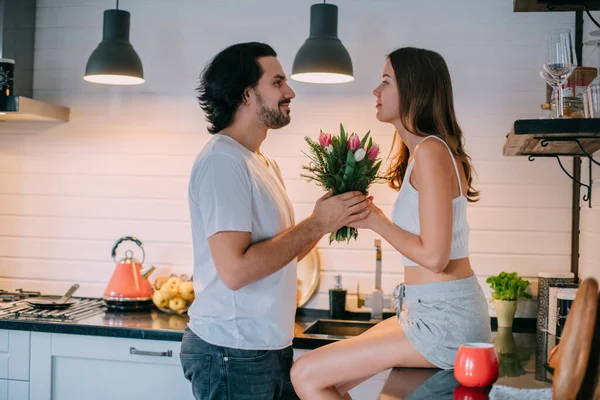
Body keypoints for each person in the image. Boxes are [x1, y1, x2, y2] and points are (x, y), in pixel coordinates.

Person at [290, 47, 491, 400]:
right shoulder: (425, 152)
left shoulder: (431, 152)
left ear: (414, 90)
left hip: (444, 320)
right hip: (430, 310)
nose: (376, 91)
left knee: (305, 374)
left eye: (386, 81)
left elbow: (435, 258)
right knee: (320, 377)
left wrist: (375, 220)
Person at [179, 42, 370, 400]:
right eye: (278, 82)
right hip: (232, 352)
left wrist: (328, 219)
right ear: (247, 94)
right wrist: (316, 223)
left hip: (261, 348)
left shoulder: (261, 163)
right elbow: (235, 271)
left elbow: (277, 257)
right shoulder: (224, 162)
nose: (290, 92)